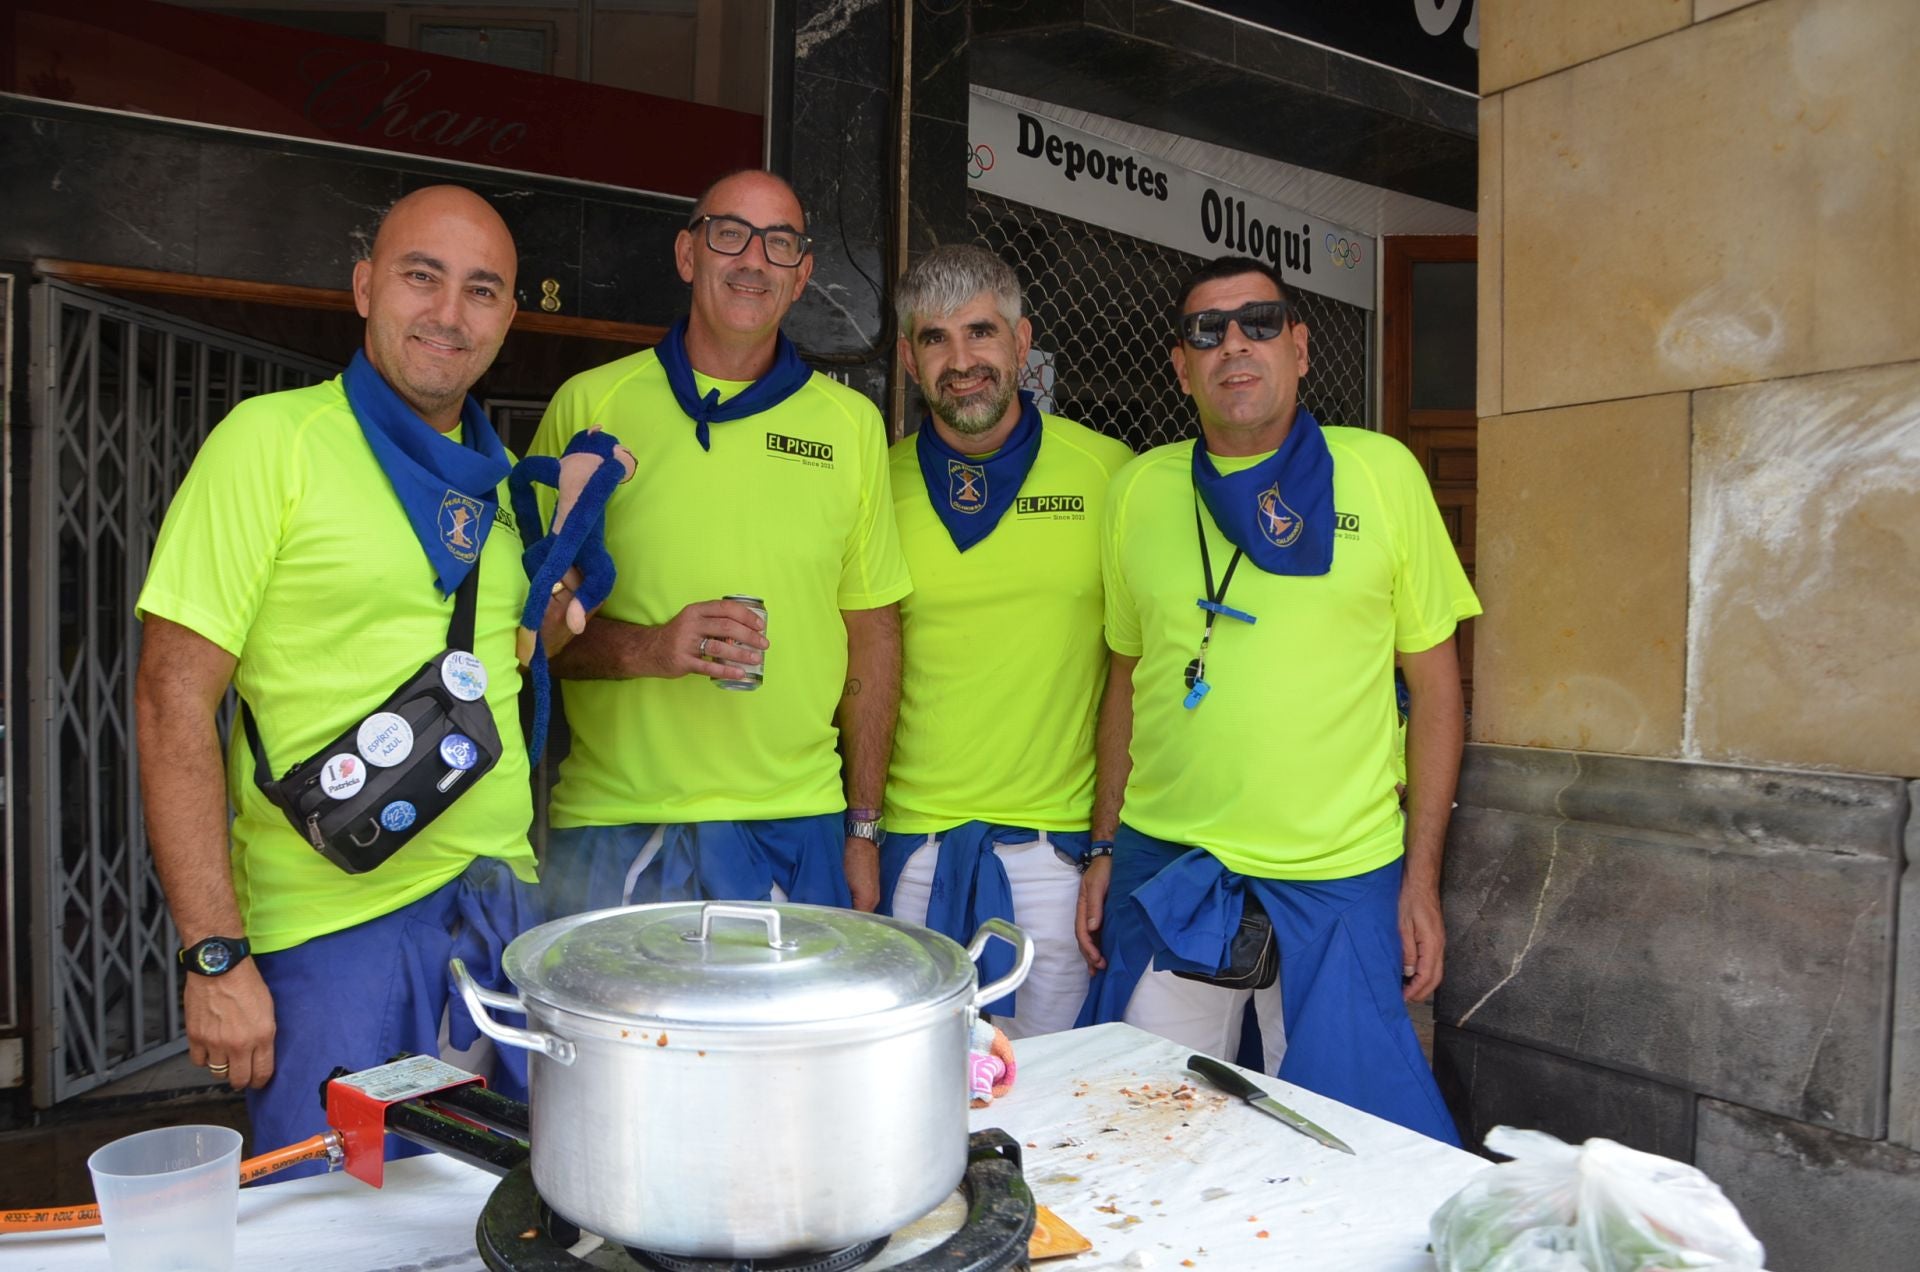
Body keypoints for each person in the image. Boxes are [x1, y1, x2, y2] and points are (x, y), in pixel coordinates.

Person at [135, 186, 569, 1168]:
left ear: (507, 319)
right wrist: (215, 956)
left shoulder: (503, 492)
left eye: (482, 290)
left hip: (501, 923)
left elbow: (496, 665)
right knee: (342, 1227)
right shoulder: (269, 444)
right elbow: (171, 700)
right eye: (423, 276)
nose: (450, 313)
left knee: (503, 1219)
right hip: (335, 938)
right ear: (366, 285)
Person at [1075, 256, 1478, 1143]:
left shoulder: (1382, 474)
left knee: (1347, 1142)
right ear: (1180, 367)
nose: (1234, 345)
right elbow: (1126, 682)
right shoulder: (1138, 489)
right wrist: (1105, 845)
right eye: (1206, 331)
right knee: (1138, 1130)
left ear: (1300, 349)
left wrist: (1422, 878)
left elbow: (1438, 693)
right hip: (1171, 865)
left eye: (1259, 323)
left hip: (1339, 874)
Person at [531, 170, 910, 915]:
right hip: (617, 821)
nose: (753, 260)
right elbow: (525, 634)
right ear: (687, 254)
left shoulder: (852, 425)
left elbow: (871, 631)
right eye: (729, 234)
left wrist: (862, 828)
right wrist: (655, 648)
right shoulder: (591, 405)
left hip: (795, 823)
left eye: (780, 244)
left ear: (802, 277)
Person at [879, 245, 1133, 1037]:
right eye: (935, 339)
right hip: (907, 855)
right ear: (907, 358)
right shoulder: (871, 485)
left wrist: (1106, 845)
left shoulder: (1110, 475)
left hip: (1055, 866)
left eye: (981, 334)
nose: (962, 362)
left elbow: (1135, 673)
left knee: (1048, 1108)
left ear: (1022, 345)